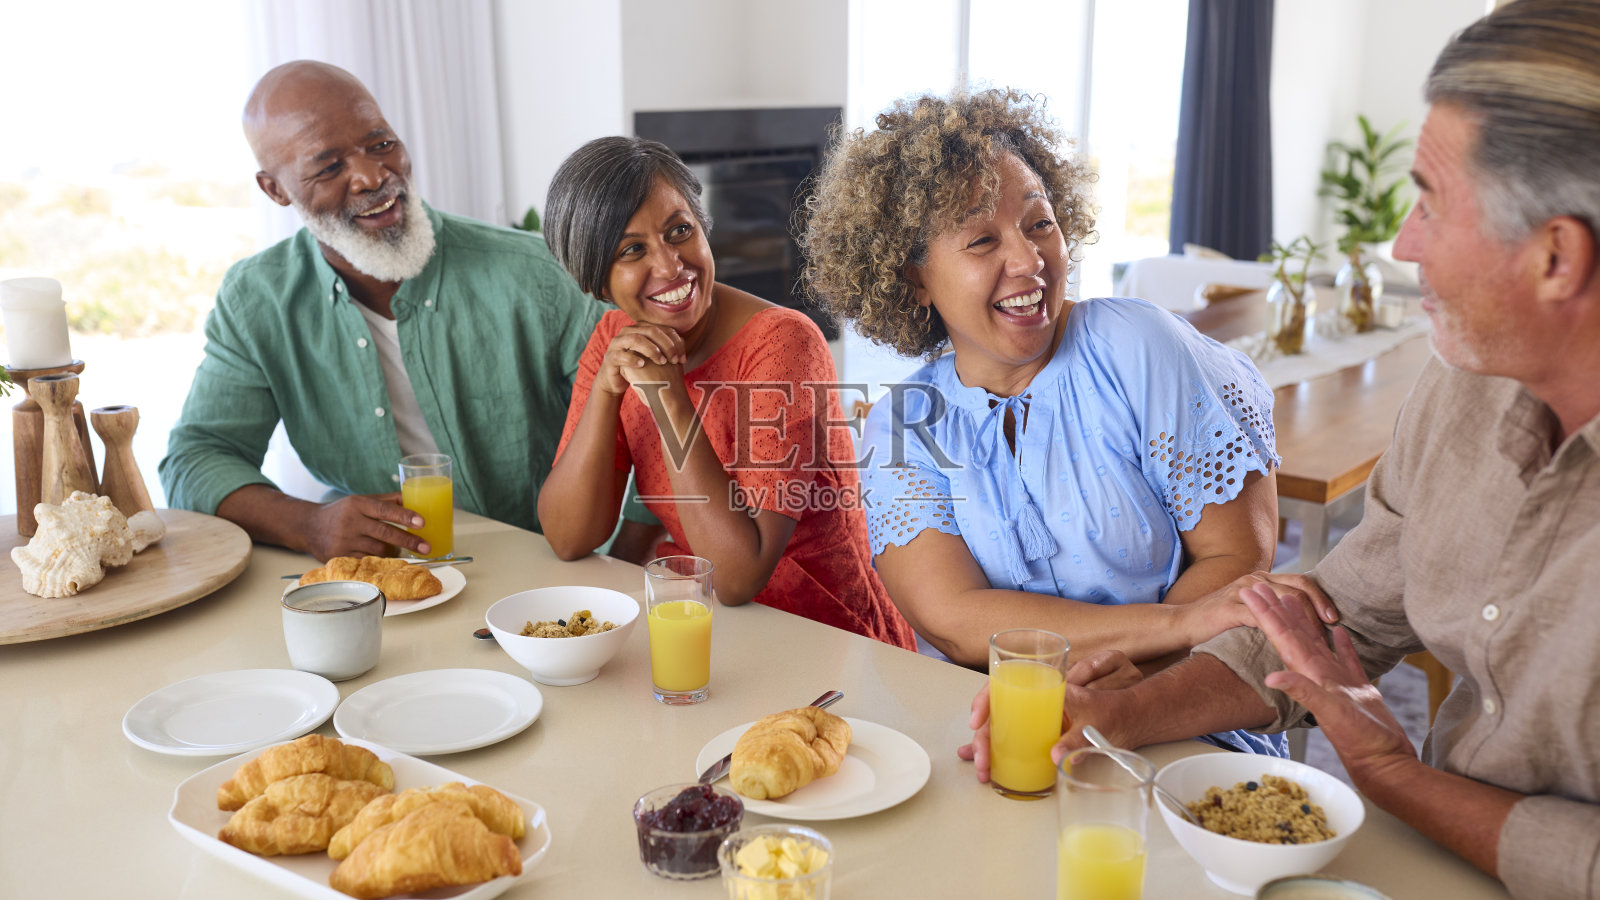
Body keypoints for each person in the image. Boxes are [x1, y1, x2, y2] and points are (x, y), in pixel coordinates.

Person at [965, 2, 1600, 895]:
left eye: (1430, 204)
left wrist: (1395, 778)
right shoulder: (1464, 390)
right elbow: (1343, 616)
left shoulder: (1136, 350)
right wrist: (1120, 710)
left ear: (1556, 258)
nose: (1402, 244)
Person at [801, 89, 1303, 754]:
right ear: (913, 277)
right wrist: (1174, 625)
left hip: (1188, 718)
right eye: (983, 239)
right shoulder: (904, 425)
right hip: (1003, 727)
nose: (1030, 259)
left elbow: (1238, 554)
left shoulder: (1135, 347)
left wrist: (1132, 687)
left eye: (1040, 224)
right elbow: (955, 619)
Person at [160, 61, 606, 561]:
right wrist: (310, 525)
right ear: (276, 190)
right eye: (329, 168)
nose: (374, 176)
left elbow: (646, 425)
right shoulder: (256, 299)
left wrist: (626, 562)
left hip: (543, 569)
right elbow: (195, 458)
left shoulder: (537, 271)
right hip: (381, 586)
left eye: (381, 144)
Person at [536, 136, 917, 649]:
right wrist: (606, 394)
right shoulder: (614, 341)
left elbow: (740, 576)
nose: (672, 266)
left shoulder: (783, 343)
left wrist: (670, 399)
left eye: (680, 231)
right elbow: (569, 537)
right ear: (597, 283)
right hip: (704, 627)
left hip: (828, 641)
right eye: (633, 250)